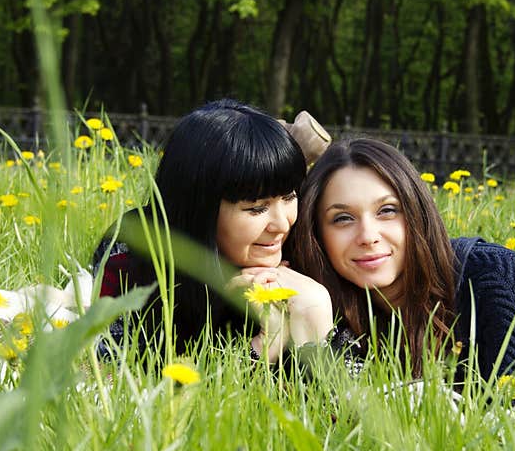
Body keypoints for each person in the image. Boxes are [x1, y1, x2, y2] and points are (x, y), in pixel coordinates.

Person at [286, 134, 515, 404]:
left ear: (416, 214)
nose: (368, 235)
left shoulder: (490, 271)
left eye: (387, 210)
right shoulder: (321, 297)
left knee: (505, 282)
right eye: (343, 219)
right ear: (316, 234)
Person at [92, 98, 335, 364]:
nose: (282, 224)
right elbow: (119, 374)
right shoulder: (131, 252)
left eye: (289, 197)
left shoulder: (309, 241)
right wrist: (266, 342)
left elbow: (330, 397)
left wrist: (314, 306)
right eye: (256, 208)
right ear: (200, 206)